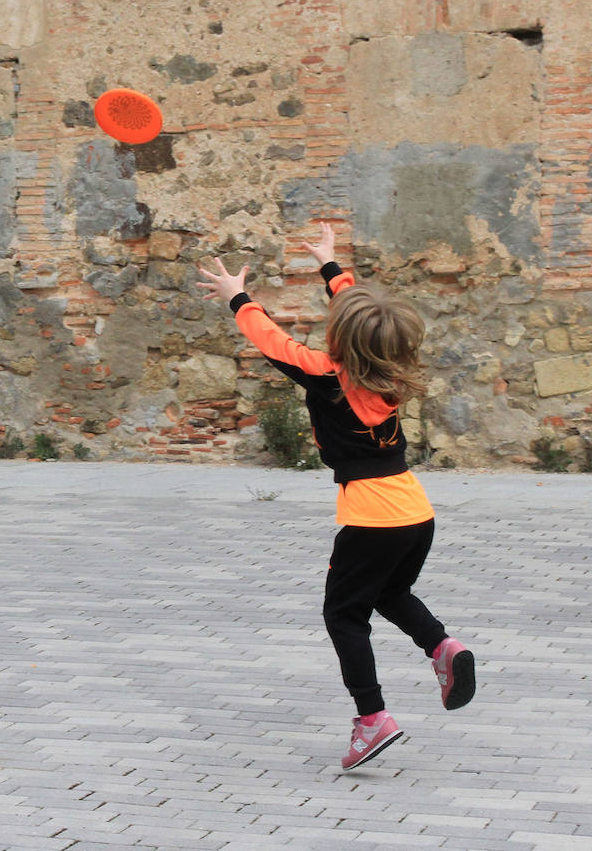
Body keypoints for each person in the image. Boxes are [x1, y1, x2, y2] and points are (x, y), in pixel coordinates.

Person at [196, 222, 474, 770]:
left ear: (343, 339)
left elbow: (272, 340)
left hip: (371, 519)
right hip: (415, 512)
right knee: (387, 593)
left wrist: (237, 298)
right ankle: (444, 648)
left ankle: (372, 720)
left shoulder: (327, 374)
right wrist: (331, 268)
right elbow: (366, 320)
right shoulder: (390, 370)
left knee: (343, 615)